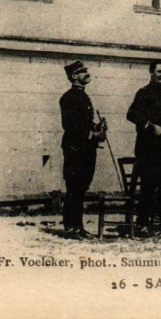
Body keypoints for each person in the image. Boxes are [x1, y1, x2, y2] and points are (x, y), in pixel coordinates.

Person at [126, 61, 161, 234]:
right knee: (148, 186)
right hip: (148, 149)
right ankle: (142, 224)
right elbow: (131, 114)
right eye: (159, 72)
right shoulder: (144, 93)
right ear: (151, 73)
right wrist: (151, 126)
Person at [59, 61, 105, 239]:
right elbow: (69, 125)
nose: (87, 73)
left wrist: (97, 127)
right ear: (73, 77)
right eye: (82, 72)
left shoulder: (83, 96)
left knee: (81, 187)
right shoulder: (69, 97)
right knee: (74, 188)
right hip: (75, 149)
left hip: (86, 149)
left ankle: (78, 227)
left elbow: (83, 123)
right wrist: (91, 134)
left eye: (86, 70)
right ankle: (71, 228)